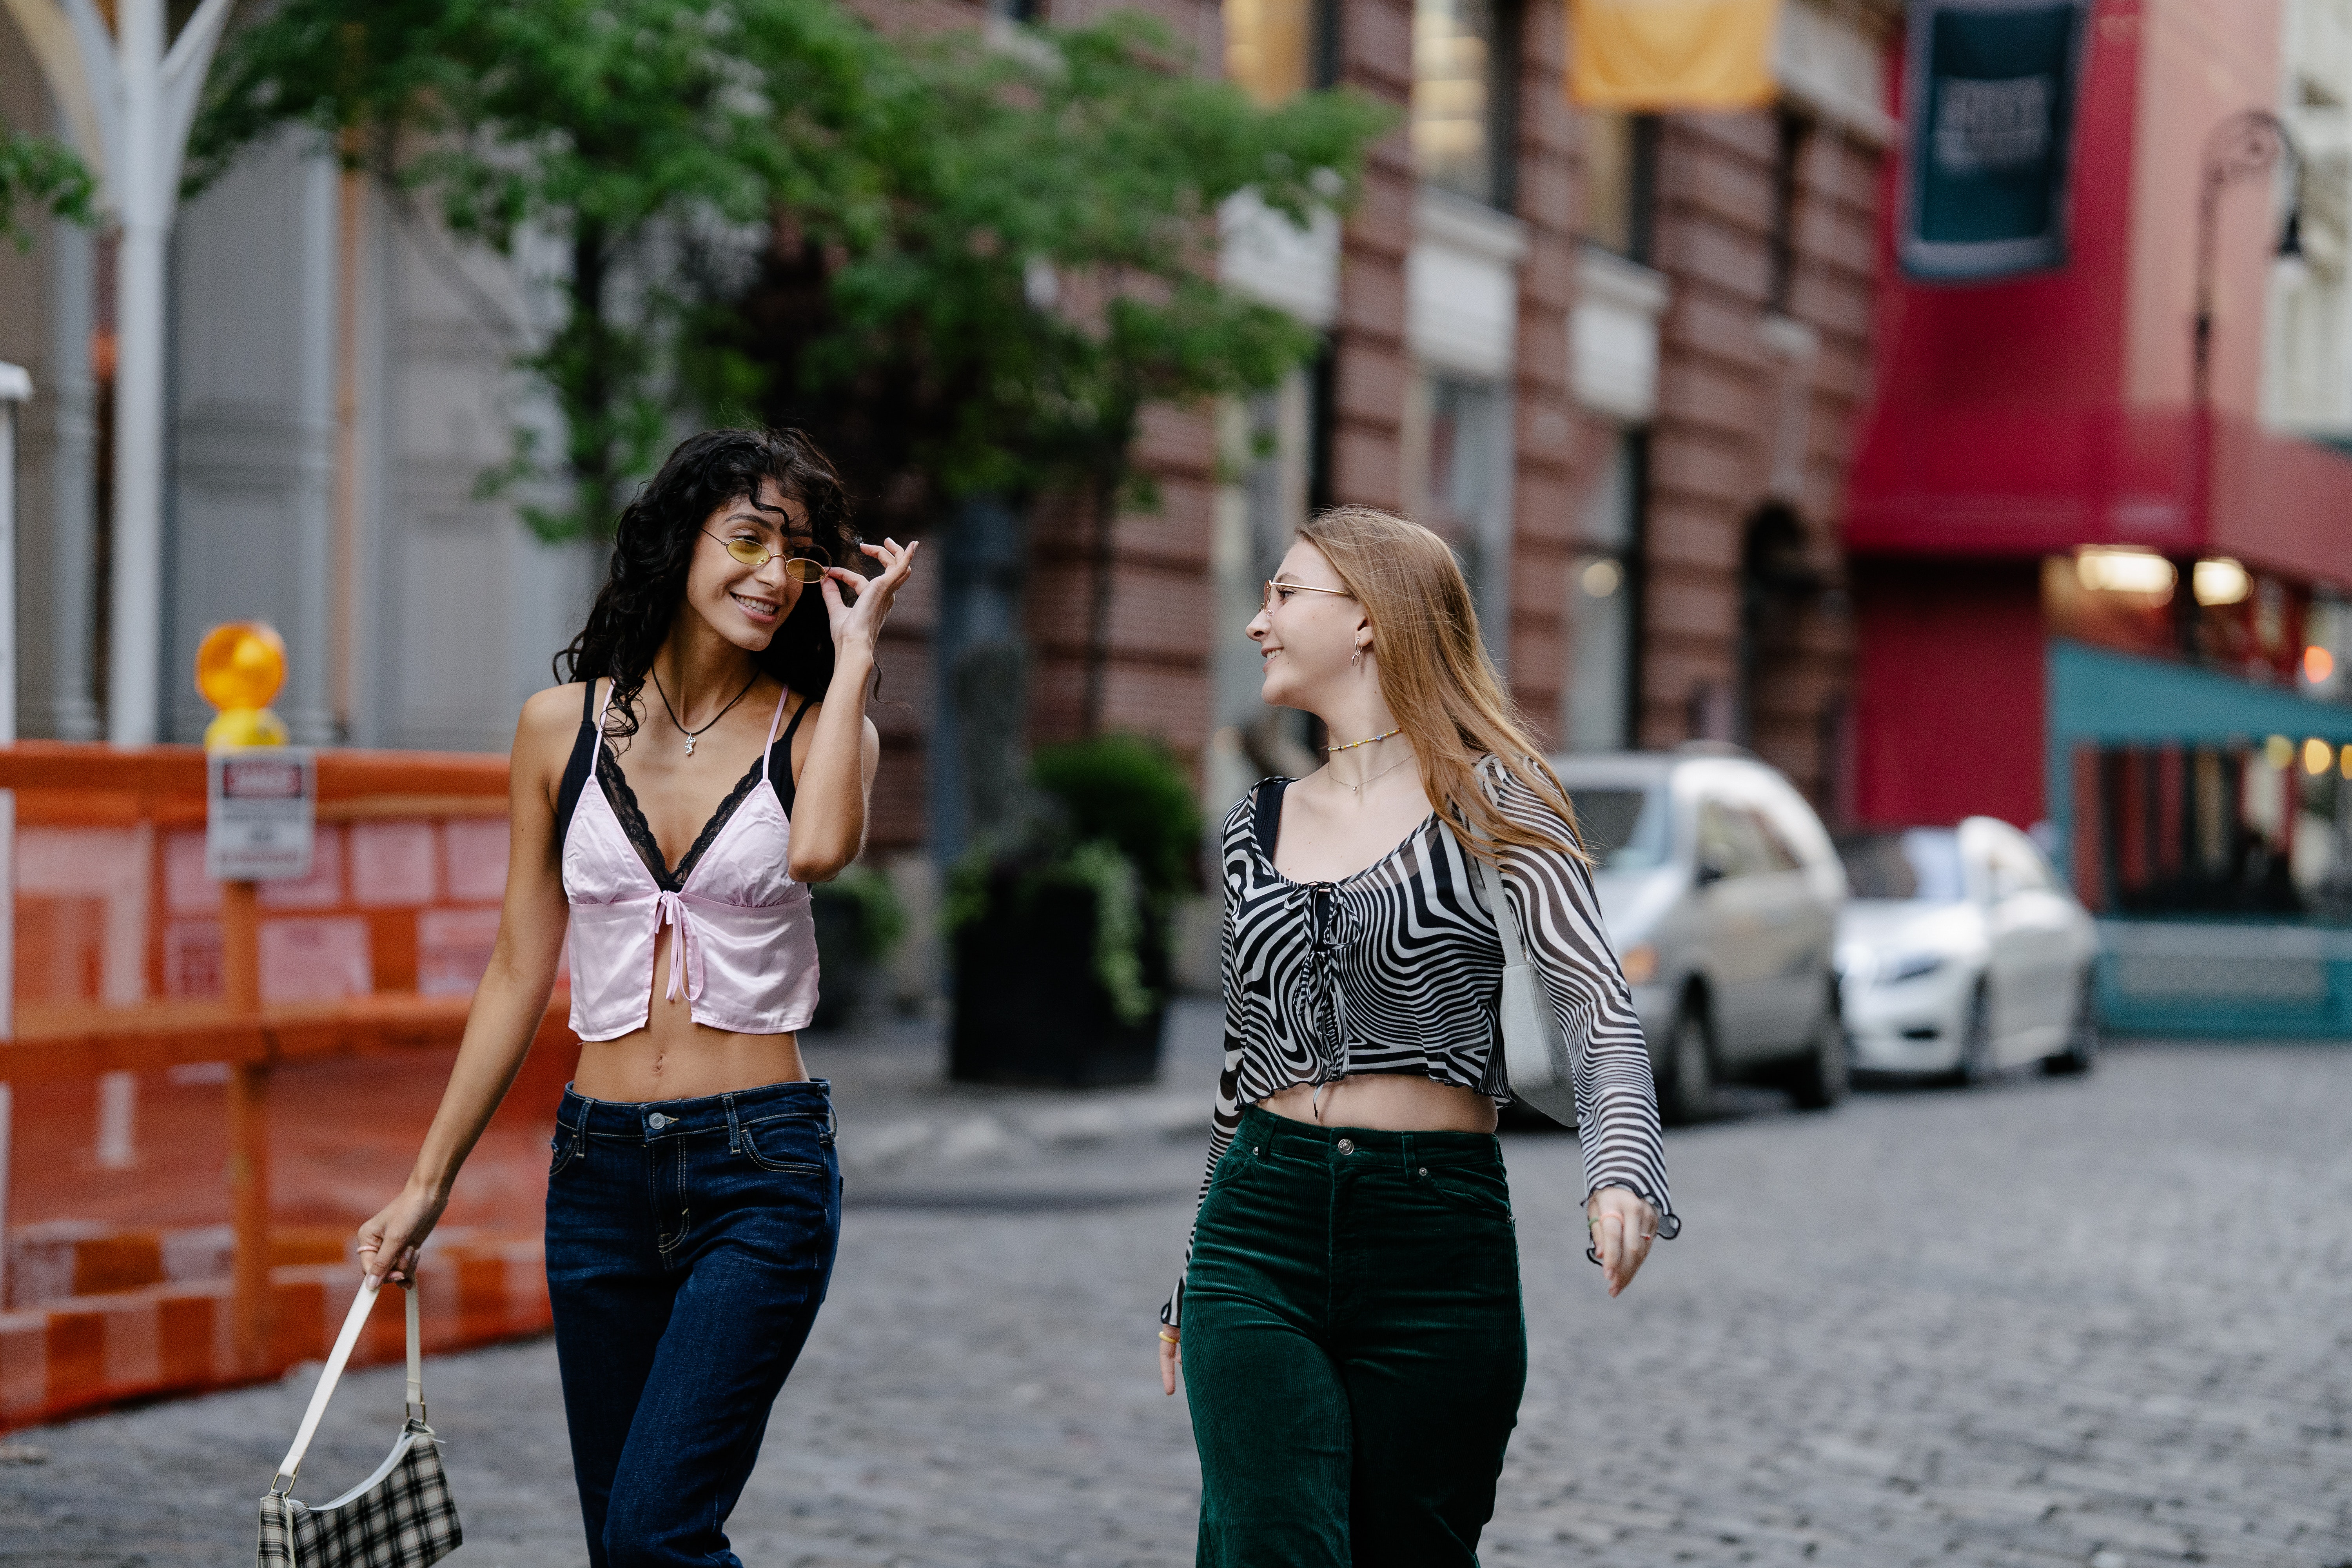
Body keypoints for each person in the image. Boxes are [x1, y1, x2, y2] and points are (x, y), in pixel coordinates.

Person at [354, 428, 917, 1568]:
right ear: (680, 542)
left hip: (759, 1171)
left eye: (799, 556)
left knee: (661, 1532)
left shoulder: (819, 730)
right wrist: (428, 1185)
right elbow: (519, 966)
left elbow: (817, 855)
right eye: (747, 539)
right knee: (623, 1547)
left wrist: (855, 656)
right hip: (596, 1171)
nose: (772, 575)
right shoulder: (555, 730)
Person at [1157, 505, 1677, 1566]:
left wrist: (1621, 1168)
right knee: (1273, 1547)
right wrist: (1192, 1261)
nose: (1258, 622)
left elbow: (1593, 1001)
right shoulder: (1251, 823)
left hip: (1438, 1248)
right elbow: (1241, 1063)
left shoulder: (1498, 798)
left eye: (1283, 593)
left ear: (1367, 620)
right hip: (1259, 1233)